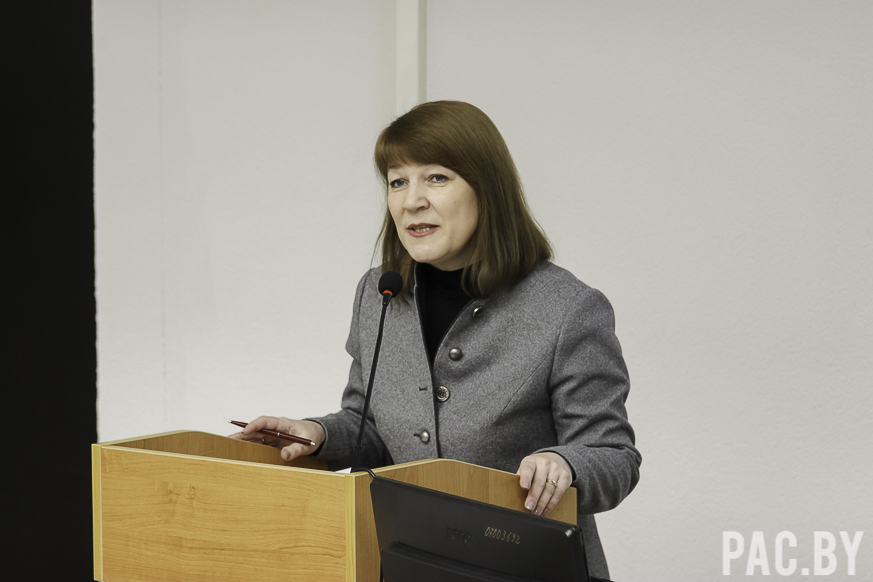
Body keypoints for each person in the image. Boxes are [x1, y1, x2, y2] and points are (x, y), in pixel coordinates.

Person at [231, 100, 640, 579]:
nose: (412, 201)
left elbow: (614, 456)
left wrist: (563, 462)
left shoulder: (568, 307)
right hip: (409, 563)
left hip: (527, 567)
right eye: (397, 181)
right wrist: (317, 434)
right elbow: (372, 429)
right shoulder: (379, 293)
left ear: (488, 188)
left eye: (437, 178)